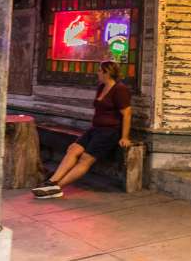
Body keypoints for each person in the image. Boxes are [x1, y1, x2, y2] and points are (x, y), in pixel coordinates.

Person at [32, 60, 133, 199]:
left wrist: (124, 137)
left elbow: (127, 113)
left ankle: (57, 188)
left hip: (109, 132)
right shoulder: (101, 87)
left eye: (99, 70)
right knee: (73, 149)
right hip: (96, 129)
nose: (97, 73)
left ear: (107, 72)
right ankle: (52, 181)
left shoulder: (120, 89)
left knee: (85, 158)